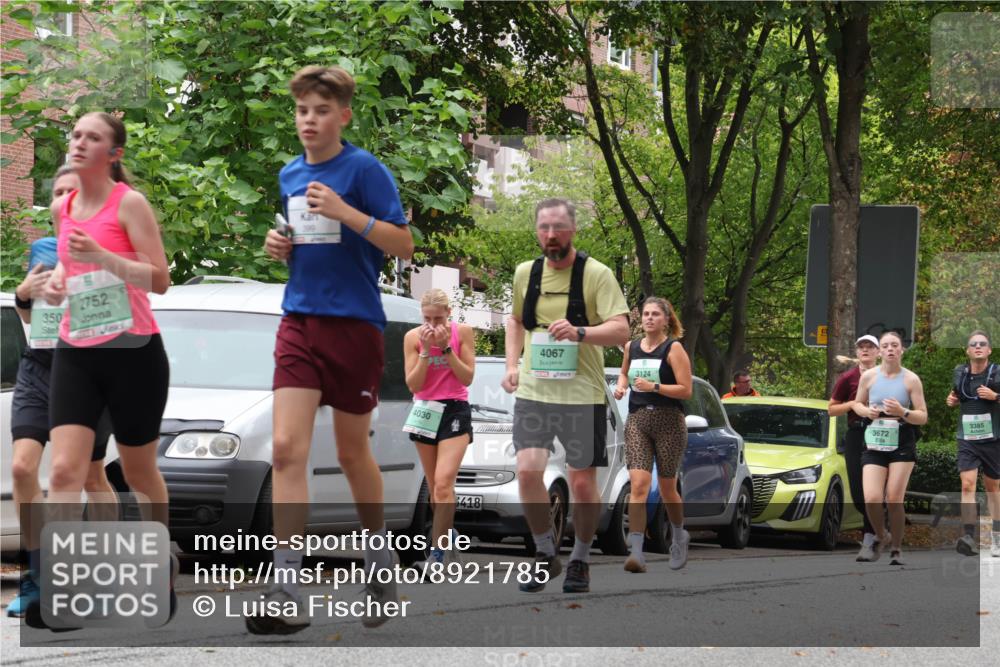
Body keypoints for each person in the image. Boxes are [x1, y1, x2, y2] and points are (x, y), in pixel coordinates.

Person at [246, 65, 414, 635]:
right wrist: (280, 246)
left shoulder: (365, 170)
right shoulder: (290, 174)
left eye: (320, 111)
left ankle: (378, 558)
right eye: (301, 112)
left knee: (350, 455)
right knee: (288, 450)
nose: (309, 121)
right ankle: (287, 586)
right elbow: (305, 245)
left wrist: (346, 212)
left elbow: (403, 244)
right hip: (299, 321)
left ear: (342, 115)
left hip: (356, 326)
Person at [35, 112, 173, 626]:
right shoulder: (63, 206)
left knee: (138, 472)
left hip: (134, 353)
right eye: (75, 135)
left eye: (92, 137)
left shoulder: (129, 203)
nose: (78, 142)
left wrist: (101, 254)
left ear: (113, 153)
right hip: (76, 350)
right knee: (67, 470)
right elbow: (70, 268)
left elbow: (159, 280)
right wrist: (57, 283)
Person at [501, 197, 629, 593]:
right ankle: (544, 553)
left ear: (573, 230)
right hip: (535, 390)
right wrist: (510, 365)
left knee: (583, 484)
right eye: (543, 227)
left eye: (558, 227)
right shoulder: (526, 273)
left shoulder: (597, 275)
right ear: (536, 231)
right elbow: (516, 320)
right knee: (526, 472)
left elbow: (622, 330)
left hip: (582, 394)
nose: (551, 234)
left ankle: (581, 558)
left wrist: (580, 332)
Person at [7, 168, 118, 618]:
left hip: (90, 373)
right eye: (56, 192)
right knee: (21, 468)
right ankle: (36, 577)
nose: (63, 200)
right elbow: (32, 320)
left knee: (91, 479)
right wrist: (23, 293)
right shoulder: (41, 250)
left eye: (72, 192)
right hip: (39, 369)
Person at [613, 297, 692, 573]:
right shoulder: (631, 347)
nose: (649, 318)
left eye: (655, 314)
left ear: (666, 320)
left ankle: (680, 536)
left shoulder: (674, 349)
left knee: (668, 488)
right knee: (638, 486)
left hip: (669, 421)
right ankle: (636, 551)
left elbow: (686, 389)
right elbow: (624, 375)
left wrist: (655, 386)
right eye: (645, 314)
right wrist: (621, 388)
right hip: (638, 420)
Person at [402, 288, 476, 570]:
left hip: (454, 408)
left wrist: (446, 349)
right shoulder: (412, 337)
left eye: (438, 318)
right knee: (435, 489)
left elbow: (467, 377)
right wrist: (424, 351)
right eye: (427, 319)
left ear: (448, 314)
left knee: (444, 483)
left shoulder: (463, 332)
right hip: (424, 409)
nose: (433, 325)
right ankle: (449, 534)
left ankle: (437, 554)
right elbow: (414, 385)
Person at [853, 330, 928, 565]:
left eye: (894, 345)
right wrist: (867, 411)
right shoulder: (869, 377)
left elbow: (922, 416)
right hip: (875, 437)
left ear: (901, 350)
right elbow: (857, 403)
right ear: (880, 351)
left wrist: (903, 412)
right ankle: (881, 535)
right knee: (872, 498)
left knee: (894, 498)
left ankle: (896, 548)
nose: (890, 349)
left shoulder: (911, 379)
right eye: (885, 345)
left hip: (902, 438)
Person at [946, 330, 1000, 558]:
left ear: (989, 350)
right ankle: (968, 536)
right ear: (968, 350)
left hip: (993, 439)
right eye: (973, 344)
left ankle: (996, 537)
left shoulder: (997, 373)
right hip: (966, 437)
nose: (978, 346)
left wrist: (995, 397)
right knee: (967, 485)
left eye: (982, 344)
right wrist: (952, 400)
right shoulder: (960, 372)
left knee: (993, 488)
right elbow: (956, 394)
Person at [828, 334, 881, 561]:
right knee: (859, 492)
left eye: (870, 347)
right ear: (857, 352)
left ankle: (870, 535)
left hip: (882, 433)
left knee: (875, 491)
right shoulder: (848, 378)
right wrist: (853, 405)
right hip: (857, 433)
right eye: (862, 347)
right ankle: (878, 526)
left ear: (878, 352)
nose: (866, 350)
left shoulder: (889, 376)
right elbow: (831, 409)